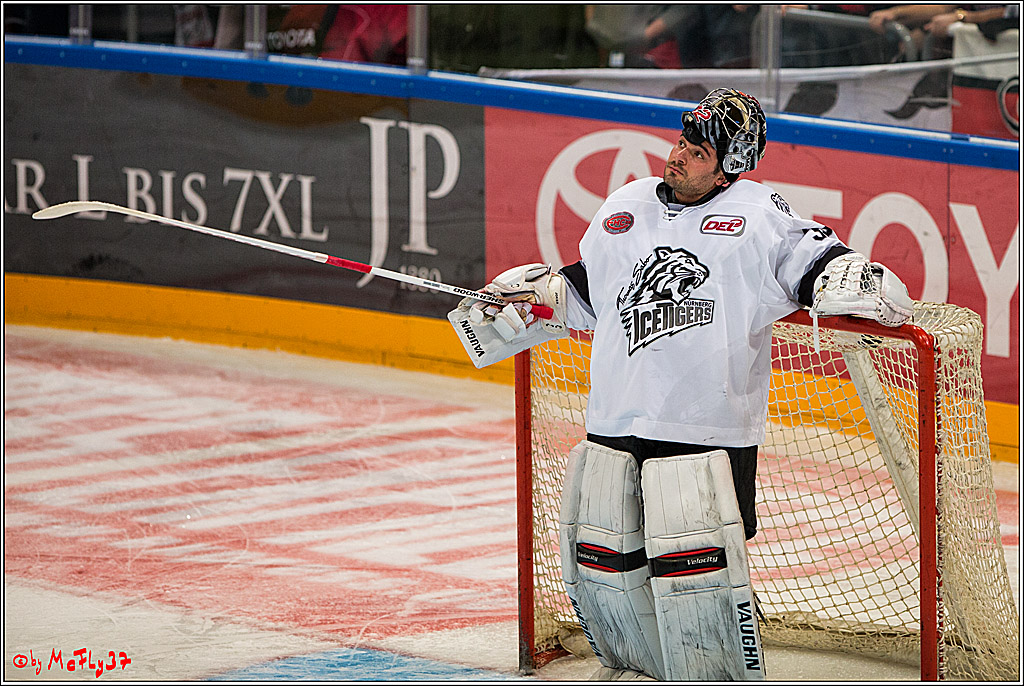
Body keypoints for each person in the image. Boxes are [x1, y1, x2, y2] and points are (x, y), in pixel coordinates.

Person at [449, 88, 913, 680]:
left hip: (707, 425)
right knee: (609, 564)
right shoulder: (626, 204)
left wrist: (847, 279)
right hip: (617, 416)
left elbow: (818, 264)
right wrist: (536, 299)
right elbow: (593, 291)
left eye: (698, 152)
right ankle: (634, 668)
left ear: (729, 168)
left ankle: (713, 674)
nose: (679, 155)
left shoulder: (759, 213)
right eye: (682, 142)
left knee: (698, 572)